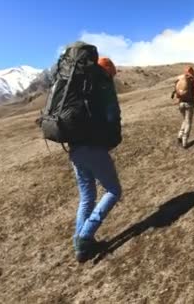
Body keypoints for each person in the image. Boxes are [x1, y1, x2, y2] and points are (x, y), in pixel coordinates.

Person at [69, 55, 122, 263]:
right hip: (93, 147)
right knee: (113, 191)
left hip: (74, 148)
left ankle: (80, 247)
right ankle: (85, 235)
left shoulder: (78, 85)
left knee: (87, 197)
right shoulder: (102, 86)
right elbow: (112, 116)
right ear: (107, 71)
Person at [171, 66, 194, 148]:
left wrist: (178, 100)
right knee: (188, 122)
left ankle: (180, 135)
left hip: (181, 104)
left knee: (185, 120)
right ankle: (185, 141)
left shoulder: (181, 79)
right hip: (190, 104)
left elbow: (177, 92)